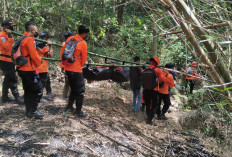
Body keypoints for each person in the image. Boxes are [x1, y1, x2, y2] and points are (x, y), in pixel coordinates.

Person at [61, 25, 89, 117]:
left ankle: (69, 106)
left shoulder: (70, 38)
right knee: (81, 90)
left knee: (73, 88)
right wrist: (78, 66)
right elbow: (84, 59)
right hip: (76, 69)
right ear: (84, 34)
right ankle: (78, 111)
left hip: (67, 68)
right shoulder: (83, 43)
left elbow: (64, 50)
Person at [17, 21, 44, 119]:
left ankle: (28, 110)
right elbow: (34, 55)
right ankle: (33, 110)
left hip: (21, 68)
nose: (37, 31)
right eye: (36, 30)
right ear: (32, 30)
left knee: (27, 90)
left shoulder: (21, 38)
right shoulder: (29, 40)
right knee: (37, 89)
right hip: (29, 68)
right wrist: (40, 62)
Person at [143, 56, 173, 125]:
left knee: (147, 104)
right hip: (154, 90)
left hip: (146, 89)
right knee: (153, 105)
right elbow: (163, 79)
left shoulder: (146, 69)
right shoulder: (157, 70)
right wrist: (171, 83)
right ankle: (149, 120)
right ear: (157, 63)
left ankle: (148, 117)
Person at [0, 20, 23, 104]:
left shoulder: (7, 35)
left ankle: (4, 97)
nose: (11, 27)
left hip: (9, 59)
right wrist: (10, 37)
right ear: (5, 26)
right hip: (4, 60)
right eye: (9, 26)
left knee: (8, 78)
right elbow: (6, 47)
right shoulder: (2, 35)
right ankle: (17, 97)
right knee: (12, 77)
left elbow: (11, 46)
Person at [36, 32, 53, 100]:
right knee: (42, 83)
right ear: (45, 38)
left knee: (39, 82)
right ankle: (39, 98)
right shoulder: (42, 45)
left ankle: (46, 93)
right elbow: (50, 55)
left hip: (36, 67)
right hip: (42, 68)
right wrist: (50, 46)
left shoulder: (35, 43)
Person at [60, 32, 73, 98]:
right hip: (67, 64)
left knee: (67, 81)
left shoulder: (63, 43)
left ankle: (64, 95)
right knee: (70, 81)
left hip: (63, 64)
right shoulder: (67, 44)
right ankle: (69, 95)